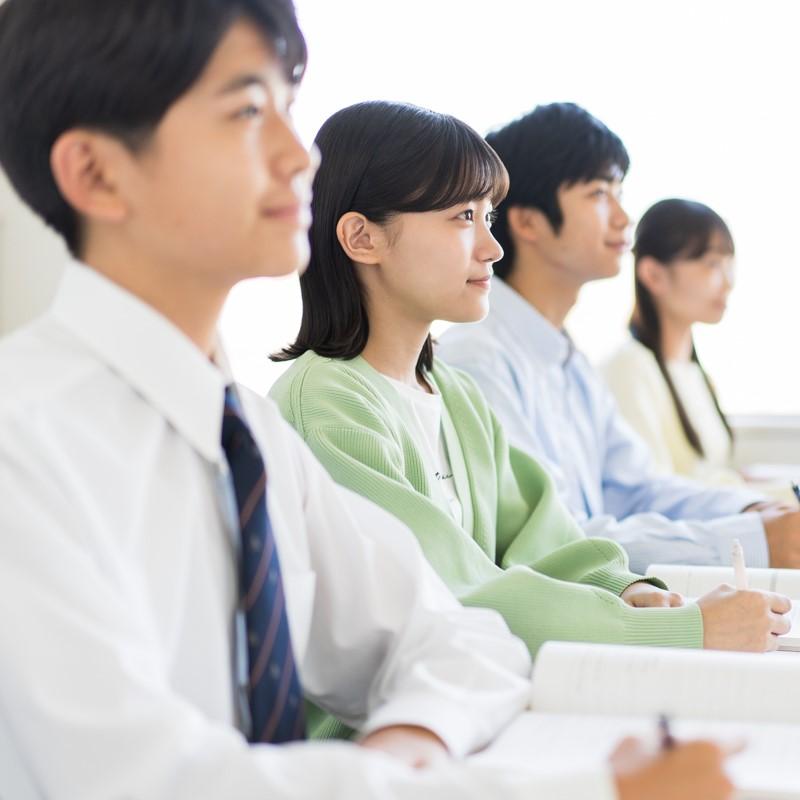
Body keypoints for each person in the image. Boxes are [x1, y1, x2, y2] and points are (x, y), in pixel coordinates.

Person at [0, 3, 739, 797]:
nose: (298, 156)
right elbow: (150, 780)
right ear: (97, 173)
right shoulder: (27, 439)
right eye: (250, 111)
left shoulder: (243, 430)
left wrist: (402, 752)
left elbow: (460, 640)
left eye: (289, 105)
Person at [269, 99, 787, 673]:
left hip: (477, 693)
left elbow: (543, 538)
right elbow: (454, 592)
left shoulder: (456, 395)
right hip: (390, 725)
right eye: (462, 217)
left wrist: (622, 588)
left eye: (487, 218)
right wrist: (673, 628)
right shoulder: (328, 405)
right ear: (362, 238)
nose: (491, 248)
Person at [436, 102, 800, 573]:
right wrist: (755, 540)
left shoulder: (568, 360)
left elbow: (638, 487)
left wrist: (752, 512)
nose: (624, 217)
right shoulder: (478, 359)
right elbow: (555, 540)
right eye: (599, 193)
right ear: (527, 221)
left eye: (619, 192)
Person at [603, 199, 748, 488]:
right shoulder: (629, 368)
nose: (728, 281)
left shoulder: (693, 372)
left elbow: (708, 477)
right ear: (654, 275)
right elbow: (652, 491)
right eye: (712, 264)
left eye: (729, 264)